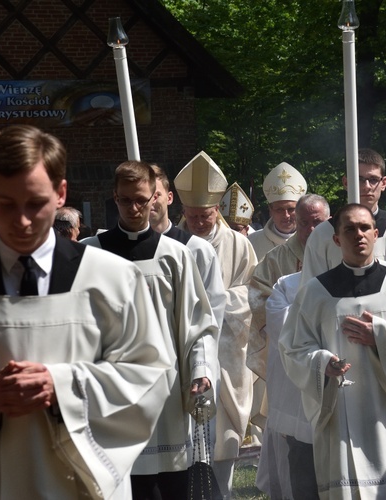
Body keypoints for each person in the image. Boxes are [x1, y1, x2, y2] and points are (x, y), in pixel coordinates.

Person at [0, 124, 171, 499]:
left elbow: (149, 374)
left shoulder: (113, 280)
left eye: (36, 203)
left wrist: (62, 386)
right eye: (6, 203)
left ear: (61, 193)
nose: (22, 221)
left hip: (79, 486)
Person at [280, 204, 386, 499]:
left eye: (365, 228)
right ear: (337, 239)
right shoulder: (316, 292)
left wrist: (380, 336)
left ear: (377, 234)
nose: (359, 235)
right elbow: (293, 347)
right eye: (349, 229)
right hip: (342, 407)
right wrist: (322, 363)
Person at [82, 160, 219, 499]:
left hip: (166, 391)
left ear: (155, 198)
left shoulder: (175, 255)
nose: (134, 207)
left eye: (141, 199)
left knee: (170, 485)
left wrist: (200, 370)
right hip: (111, 391)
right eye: (125, 200)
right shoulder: (89, 254)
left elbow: (197, 322)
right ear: (114, 198)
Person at [175, 151, 257, 499]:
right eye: (192, 215)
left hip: (226, 355)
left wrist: (215, 300)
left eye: (205, 215)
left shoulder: (238, 243)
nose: (199, 222)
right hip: (182, 350)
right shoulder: (172, 244)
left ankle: (221, 492)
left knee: (222, 438)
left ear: (217, 210)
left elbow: (252, 294)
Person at [248, 194, 330, 499]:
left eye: (317, 222)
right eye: (304, 222)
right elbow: (260, 302)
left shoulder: (341, 254)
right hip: (292, 363)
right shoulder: (277, 262)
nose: (309, 229)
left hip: (334, 366)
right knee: (297, 445)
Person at [300, 148, 386, 290]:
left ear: (383, 183)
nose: (366, 186)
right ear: (346, 182)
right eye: (359, 179)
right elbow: (311, 288)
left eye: (373, 180)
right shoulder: (323, 233)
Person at [149, 162, 226, 330]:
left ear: (169, 198)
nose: (148, 201)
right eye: (141, 196)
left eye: (155, 195)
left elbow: (212, 309)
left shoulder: (197, 249)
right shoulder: (108, 249)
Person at [248, 162, 307, 259]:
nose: (286, 215)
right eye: (279, 210)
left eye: (291, 209)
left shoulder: (311, 239)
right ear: (270, 210)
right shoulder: (252, 242)